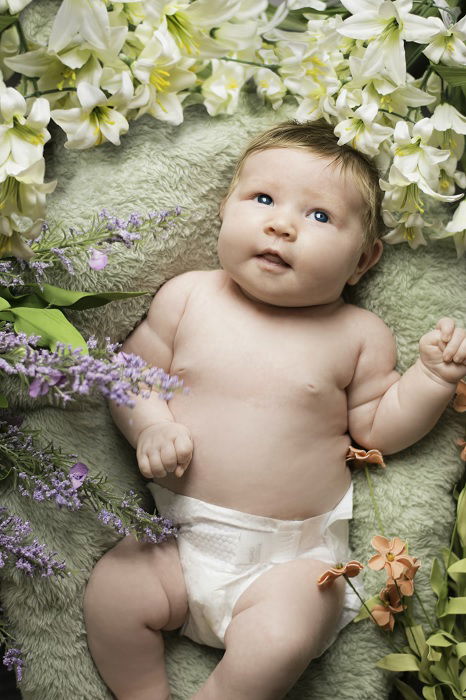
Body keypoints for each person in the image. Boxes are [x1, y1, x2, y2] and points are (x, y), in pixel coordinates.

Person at [84, 120, 466, 700]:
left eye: (319, 217)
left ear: (363, 260)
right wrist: (153, 424)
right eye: (262, 198)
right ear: (224, 209)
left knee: (283, 637)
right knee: (112, 592)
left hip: (290, 559)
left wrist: (431, 380)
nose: (281, 225)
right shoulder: (189, 297)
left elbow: (378, 427)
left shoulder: (358, 334)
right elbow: (129, 376)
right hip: (176, 538)